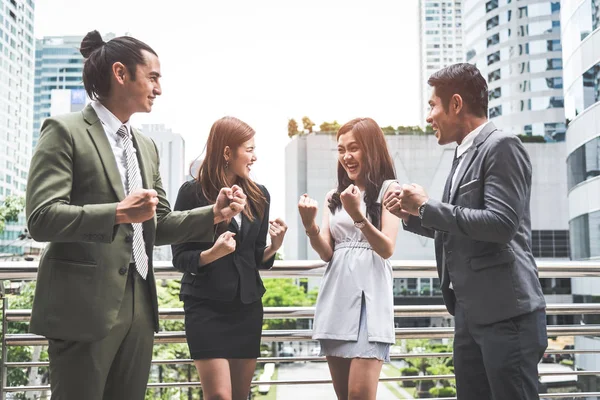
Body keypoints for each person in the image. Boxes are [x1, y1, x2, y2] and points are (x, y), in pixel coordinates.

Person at [25, 31, 246, 400]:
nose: (159, 88)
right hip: (83, 308)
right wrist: (116, 213)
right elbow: (42, 217)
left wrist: (213, 213)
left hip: (140, 307)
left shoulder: (145, 146)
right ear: (120, 73)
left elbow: (156, 225)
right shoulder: (64, 131)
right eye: (154, 77)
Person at [384, 63, 547, 400]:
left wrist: (427, 206)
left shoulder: (502, 146)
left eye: (433, 106)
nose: (429, 116)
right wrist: (412, 215)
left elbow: (500, 224)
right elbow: (463, 227)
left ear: (456, 104)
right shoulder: (461, 155)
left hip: (507, 315)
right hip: (469, 315)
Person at [171, 116, 287, 400]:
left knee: (239, 396)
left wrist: (275, 245)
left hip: (246, 307)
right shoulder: (192, 193)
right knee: (219, 397)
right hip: (205, 307)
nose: (254, 156)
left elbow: (254, 257)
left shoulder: (260, 196)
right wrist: (213, 253)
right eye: (248, 149)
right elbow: (179, 257)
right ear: (227, 152)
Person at [297, 118, 399, 400]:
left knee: (359, 394)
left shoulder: (389, 190)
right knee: (344, 396)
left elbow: (387, 248)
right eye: (341, 150)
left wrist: (357, 214)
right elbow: (327, 252)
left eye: (353, 148)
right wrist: (310, 224)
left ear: (371, 149)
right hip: (337, 297)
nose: (346, 157)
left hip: (371, 298)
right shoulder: (335, 196)